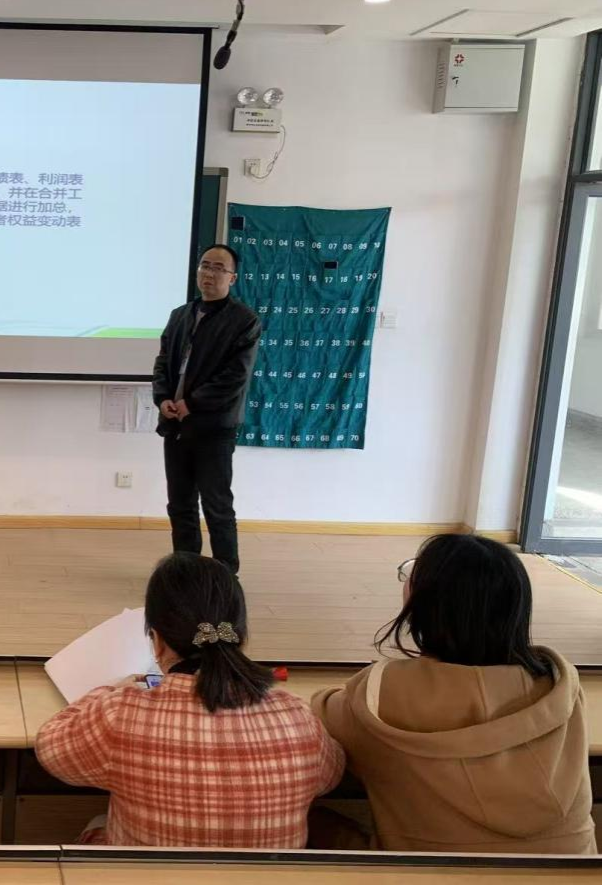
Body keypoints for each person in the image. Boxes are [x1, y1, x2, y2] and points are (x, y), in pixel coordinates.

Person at [312, 534, 596, 854]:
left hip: (428, 873)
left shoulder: (381, 694)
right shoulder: (559, 684)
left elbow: (320, 716)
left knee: (312, 821)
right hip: (576, 871)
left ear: (421, 604)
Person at [36, 553, 344, 848]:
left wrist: (108, 691)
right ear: (240, 636)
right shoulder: (296, 715)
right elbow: (331, 776)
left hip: (151, 875)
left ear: (157, 640)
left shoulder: (121, 715)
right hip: (265, 876)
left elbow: (51, 749)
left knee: (97, 823)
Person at [153, 244, 260, 573]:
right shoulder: (180, 315)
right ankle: (187, 572)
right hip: (176, 425)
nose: (208, 273)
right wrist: (163, 398)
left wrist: (192, 403)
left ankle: (226, 574)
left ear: (232, 277)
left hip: (214, 429)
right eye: (204, 265)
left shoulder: (244, 320)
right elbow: (163, 363)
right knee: (180, 504)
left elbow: (235, 376)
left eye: (218, 268)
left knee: (217, 506)